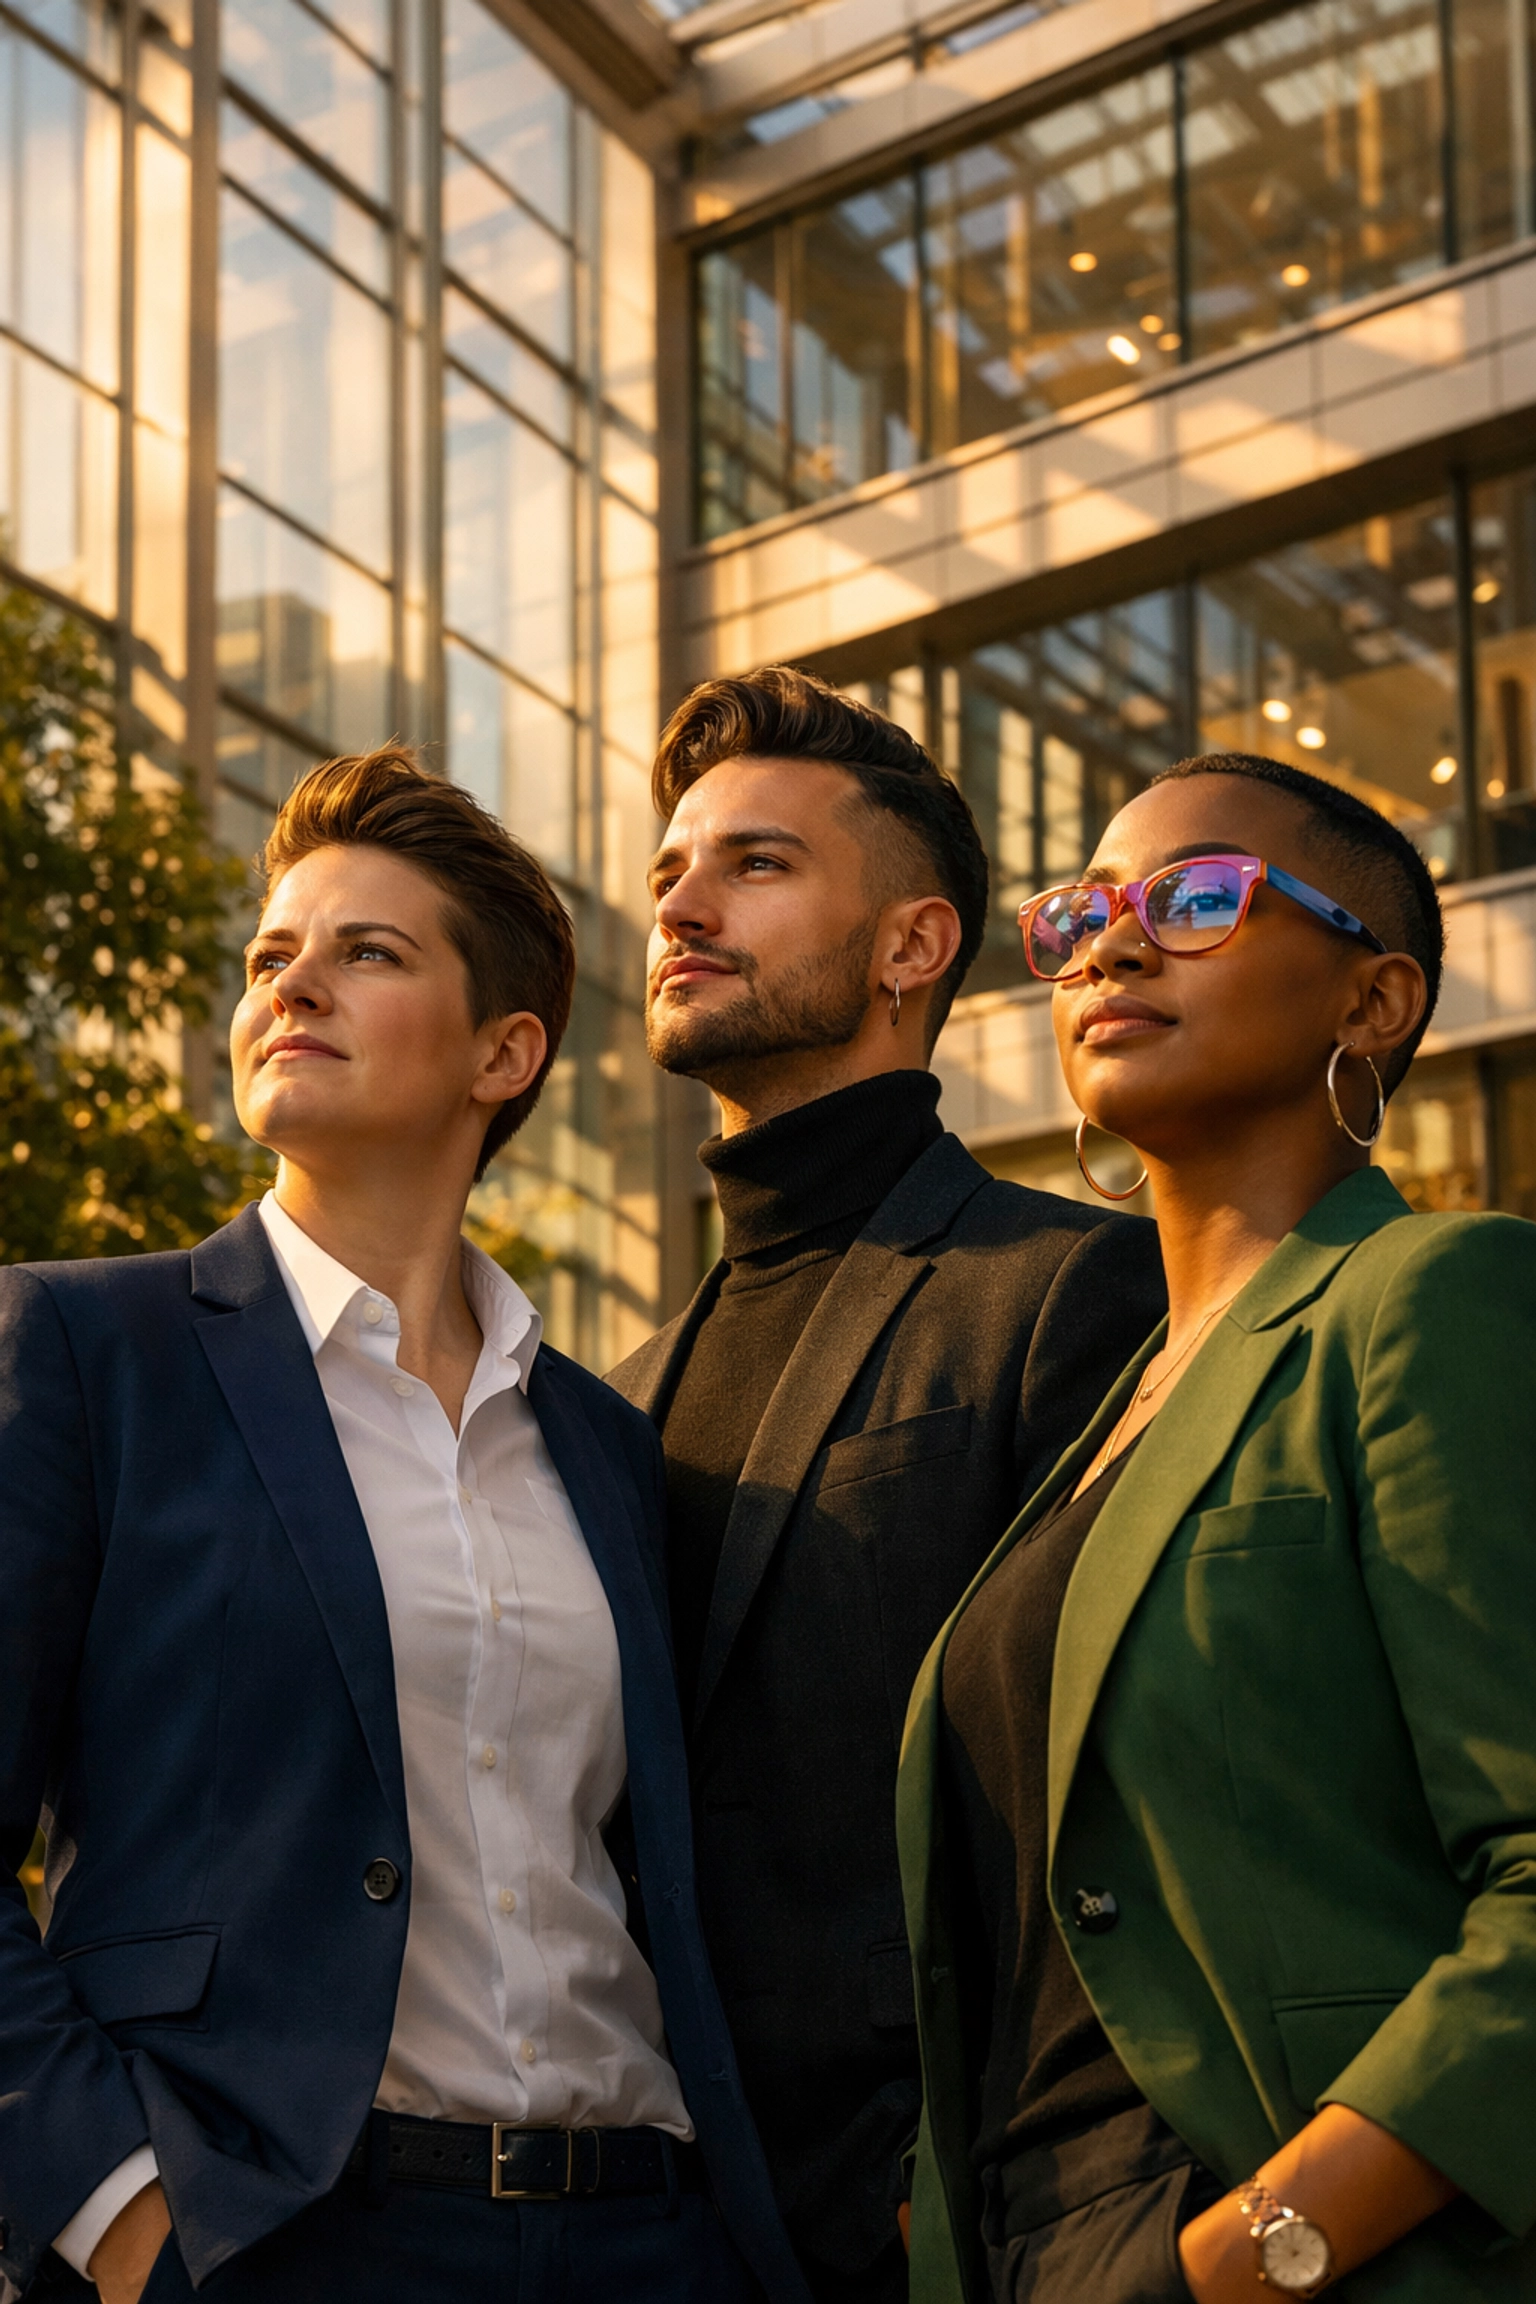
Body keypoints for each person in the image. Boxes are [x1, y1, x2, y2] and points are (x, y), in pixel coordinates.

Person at [0, 749, 811, 2304]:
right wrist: (121, 2217)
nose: (291, 986)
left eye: (366, 952)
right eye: (271, 958)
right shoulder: (93, 1355)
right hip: (278, 2233)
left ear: (505, 1052)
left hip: (645, 2233)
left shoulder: (604, 1440)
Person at [898, 750, 1536, 2304]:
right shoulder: (1110, 1413)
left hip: (1281, 2247)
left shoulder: (1428, 1301)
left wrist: (1243, 2261)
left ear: (1374, 1001)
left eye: (1195, 901)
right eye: (1085, 917)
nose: (1113, 947)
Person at [606, 668, 1167, 2304]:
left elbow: (1114, 1813)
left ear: (912, 946)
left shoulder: (1072, 1289)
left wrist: (969, 2193)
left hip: (946, 2229)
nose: (682, 907)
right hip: (648, 2233)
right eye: (670, 871)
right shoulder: (610, 1395)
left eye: (756, 864)